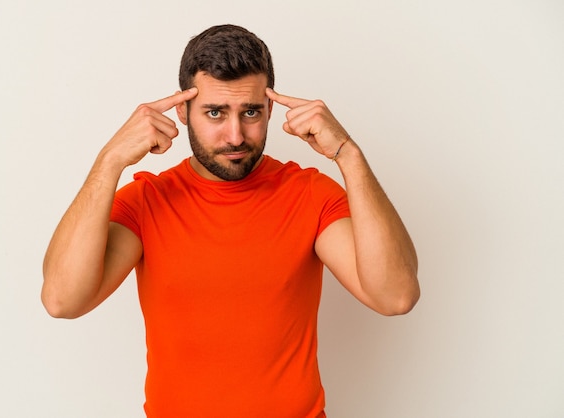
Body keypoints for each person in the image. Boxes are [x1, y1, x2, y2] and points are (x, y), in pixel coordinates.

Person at [42, 24, 420, 418]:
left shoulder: (308, 193)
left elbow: (395, 296)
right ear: (182, 112)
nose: (236, 135)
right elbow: (62, 300)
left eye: (251, 112)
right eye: (215, 113)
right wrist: (109, 162)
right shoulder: (146, 201)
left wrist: (348, 154)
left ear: (271, 110)